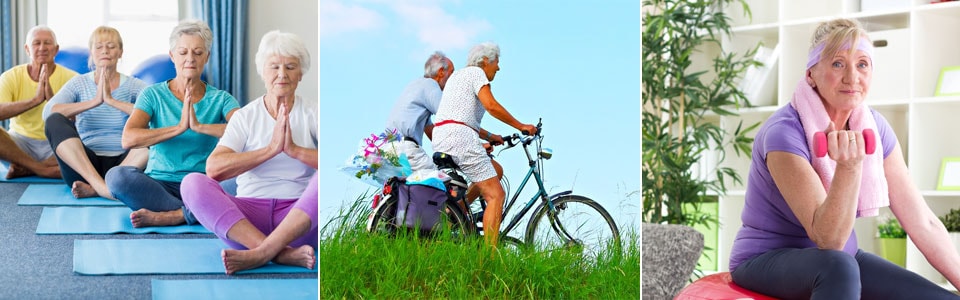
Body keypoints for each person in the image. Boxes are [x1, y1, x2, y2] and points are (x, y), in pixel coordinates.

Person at [729, 18, 960, 299]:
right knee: (837, 266)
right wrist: (849, 167)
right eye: (838, 63)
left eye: (862, 64)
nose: (852, 77)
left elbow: (923, 222)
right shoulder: (784, 134)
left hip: (844, 261)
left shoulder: (874, 127)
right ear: (811, 74)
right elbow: (829, 239)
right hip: (766, 259)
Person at [181, 30, 317, 274]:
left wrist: (294, 150)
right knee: (191, 183)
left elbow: (338, 161)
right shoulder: (245, 117)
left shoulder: (314, 113)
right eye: (274, 67)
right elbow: (214, 169)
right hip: (246, 224)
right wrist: (270, 150)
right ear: (263, 72)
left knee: (327, 174)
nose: (282, 74)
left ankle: (263, 254)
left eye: (290, 67)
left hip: (299, 224)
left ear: (301, 73)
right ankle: (280, 254)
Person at [105, 19, 240, 228]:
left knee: (244, 179)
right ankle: (197, 211)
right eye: (183, 52)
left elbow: (246, 132)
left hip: (202, 184)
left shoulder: (221, 98)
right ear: (172, 56)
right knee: (116, 177)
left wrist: (199, 127)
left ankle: (175, 215)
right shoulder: (152, 94)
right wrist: (178, 128)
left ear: (207, 57)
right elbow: (128, 138)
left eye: (197, 52)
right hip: (160, 184)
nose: (190, 59)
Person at [431, 42, 538, 247]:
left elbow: (458, 116)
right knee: (496, 195)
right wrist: (521, 125)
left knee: (495, 170)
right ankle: (488, 259)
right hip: (459, 137)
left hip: (444, 136)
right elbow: (491, 106)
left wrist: (489, 136)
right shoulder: (476, 73)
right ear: (486, 61)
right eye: (497, 62)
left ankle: (457, 212)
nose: (498, 67)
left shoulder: (458, 77)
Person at [42, 26, 149, 199]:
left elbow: (160, 111)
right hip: (84, 166)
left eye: (111, 46)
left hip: (126, 163)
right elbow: (48, 112)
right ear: (92, 52)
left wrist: (112, 101)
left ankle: (98, 189)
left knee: (158, 130)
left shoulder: (133, 85)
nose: (105, 51)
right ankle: (105, 187)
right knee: (54, 121)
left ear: (120, 52)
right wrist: (94, 102)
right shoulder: (79, 83)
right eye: (99, 47)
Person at [0, 25, 78, 179]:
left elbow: (81, 120)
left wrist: (51, 101)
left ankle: (27, 168)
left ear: (56, 50)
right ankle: (43, 169)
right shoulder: (11, 77)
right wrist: (34, 101)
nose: (42, 48)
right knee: (78, 170)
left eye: (47, 43)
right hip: (20, 146)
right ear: (27, 49)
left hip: (56, 146)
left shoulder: (72, 79)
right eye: (36, 43)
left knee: (93, 139)